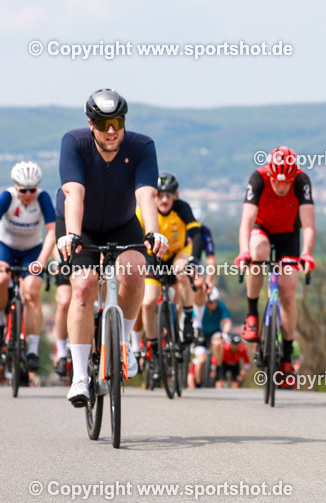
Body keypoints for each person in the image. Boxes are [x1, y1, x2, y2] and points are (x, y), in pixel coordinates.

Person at [57, 88, 167, 407]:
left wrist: (153, 233)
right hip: (81, 225)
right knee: (83, 287)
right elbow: (73, 192)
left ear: (123, 122)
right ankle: (79, 376)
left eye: (116, 122)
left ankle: (124, 344)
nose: (111, 130)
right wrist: (73, 235)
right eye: (103, 123)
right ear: (91, 124)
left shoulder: (142, 146)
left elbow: (146, 194)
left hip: (122, 222)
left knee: (134, 273)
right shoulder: (74, 143)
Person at [234, 146, 315, 389]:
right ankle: (252, 314)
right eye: (276, 182)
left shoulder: (301, 181)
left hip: (289, 234)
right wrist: (243, 252)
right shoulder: (258, 179)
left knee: (288, 295)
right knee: (257, 249)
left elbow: (308, 224)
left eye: (285, 183)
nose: (280, 188)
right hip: (262, 229)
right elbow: (246, 221)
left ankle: (287, 359)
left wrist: (306, 254)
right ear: (269, 174)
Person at [137, 172, 202, 373]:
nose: (164, 199)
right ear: (154, 196)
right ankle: (154, 350)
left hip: (176, 254)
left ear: (176, 195)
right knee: (147, 303)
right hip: (152, 259)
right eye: (160, 195)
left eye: (169, 195)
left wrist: (195, 260)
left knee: (182, 271)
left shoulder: (182, 208)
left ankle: (189, 321)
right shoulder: (143, 212)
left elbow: (196, 233)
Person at [0, 161, 57, 377]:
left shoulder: (42, 198)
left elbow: (52, 231)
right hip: (4, 247)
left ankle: (31, 350)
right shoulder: (7, 197)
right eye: (23, 190)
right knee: (1, 280)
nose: (28, 194)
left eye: (32, 189)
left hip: (32, 250)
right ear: (15, 187)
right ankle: (0, 324)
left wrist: (41, 262)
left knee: (32, 290)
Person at [189, 286, 230, 388]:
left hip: (214, 333)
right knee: (201, 360)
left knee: (218, 342)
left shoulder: (221, 306)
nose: (213, 304)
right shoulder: (201, 307)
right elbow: (193, 320)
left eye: (214, 302)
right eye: (210, 302)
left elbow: (227, 321)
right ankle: (198, 381)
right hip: (201, 334)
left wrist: (224, 333)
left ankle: (218, 368)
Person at [190, 207, 217, 336]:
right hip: (180, 258)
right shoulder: (181, 226)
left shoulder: (205, 232)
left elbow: (210, 259)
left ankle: (197, 324)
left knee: (200, 284)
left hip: (196, 261)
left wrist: (209, 280)